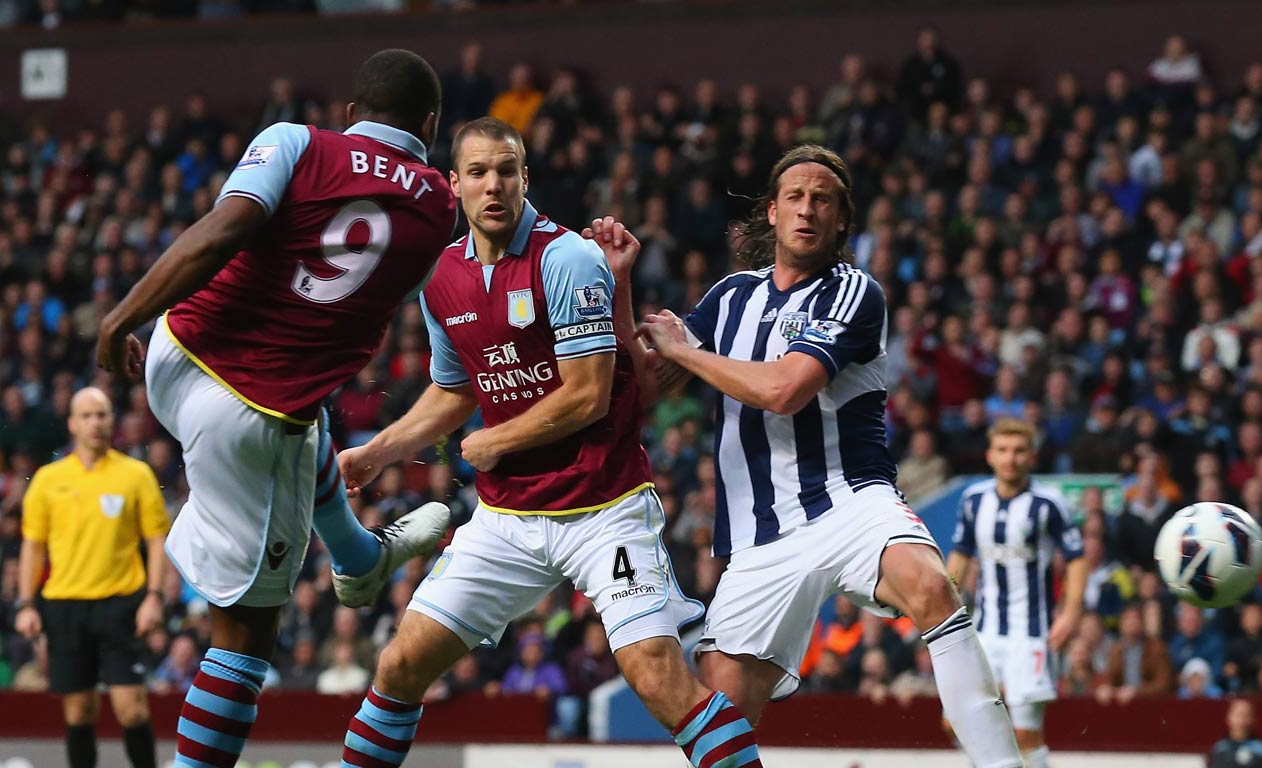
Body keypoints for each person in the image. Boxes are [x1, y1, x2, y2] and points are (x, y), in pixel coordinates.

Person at [334, 118, 761, 768]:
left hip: (604, 510)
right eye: (478, 172)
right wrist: (377, 451)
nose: (494, 184)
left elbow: (587, 393)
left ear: (525, 177)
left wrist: (494, 439)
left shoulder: (567, 258)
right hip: (506, 521)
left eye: (506, 170)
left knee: (655, 677)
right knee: (399, 663)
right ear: (454, 184)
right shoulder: (442, 277)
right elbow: (454, 390)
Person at [95, 49, 457, 767]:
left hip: (173, 351)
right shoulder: (441, 203)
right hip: (250, 419)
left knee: (312, 422)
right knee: (246, 636)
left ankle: (357, 554)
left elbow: (225, 229)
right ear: (430, 125)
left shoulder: (296, 140)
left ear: (352, 114)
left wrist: (120, 319)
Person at [630, 145, 1021, 767]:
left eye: (823, 200)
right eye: (795, 197)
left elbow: (785, 390)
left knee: (932, 587)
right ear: (771, 212)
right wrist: (618, 279)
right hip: (759, 541)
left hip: (848, 502)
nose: (807, 210)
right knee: (721, 727)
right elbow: (643, 388)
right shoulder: (730, 296)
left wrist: (683, 353)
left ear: (842, 220)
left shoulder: (853, 291)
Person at [14, 387, 169, 768]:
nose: (94, 422)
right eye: (86, 415)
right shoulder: (49, 480)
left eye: (101, 414)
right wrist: (26, 604)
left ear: (112, 421)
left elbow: (156, 540)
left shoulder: (136, 474)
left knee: (131, 709)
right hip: (65, 605)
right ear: (72, 424)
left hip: (122, 604)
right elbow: (33, 547)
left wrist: (154, 597)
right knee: (79, 712)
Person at [946, 418, 1088, 768]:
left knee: (1025, 734)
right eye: (1003, 450)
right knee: (957, 721)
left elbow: (1076, 559)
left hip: (1031, 633)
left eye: (1019, 451)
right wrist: (945, 610)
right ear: (990, 455)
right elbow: (960, 557)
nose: (1011, 458)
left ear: (1032, 457)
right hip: (983, 631)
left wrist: (1070, 614)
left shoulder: (1048, 503)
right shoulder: (974, 500)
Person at [1208, 699, 1262, 768]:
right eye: (1238, 715)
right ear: (1229, 718)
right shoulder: (1219, 748)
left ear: (1253, 719)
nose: (1241, 720)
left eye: (1246, 715)